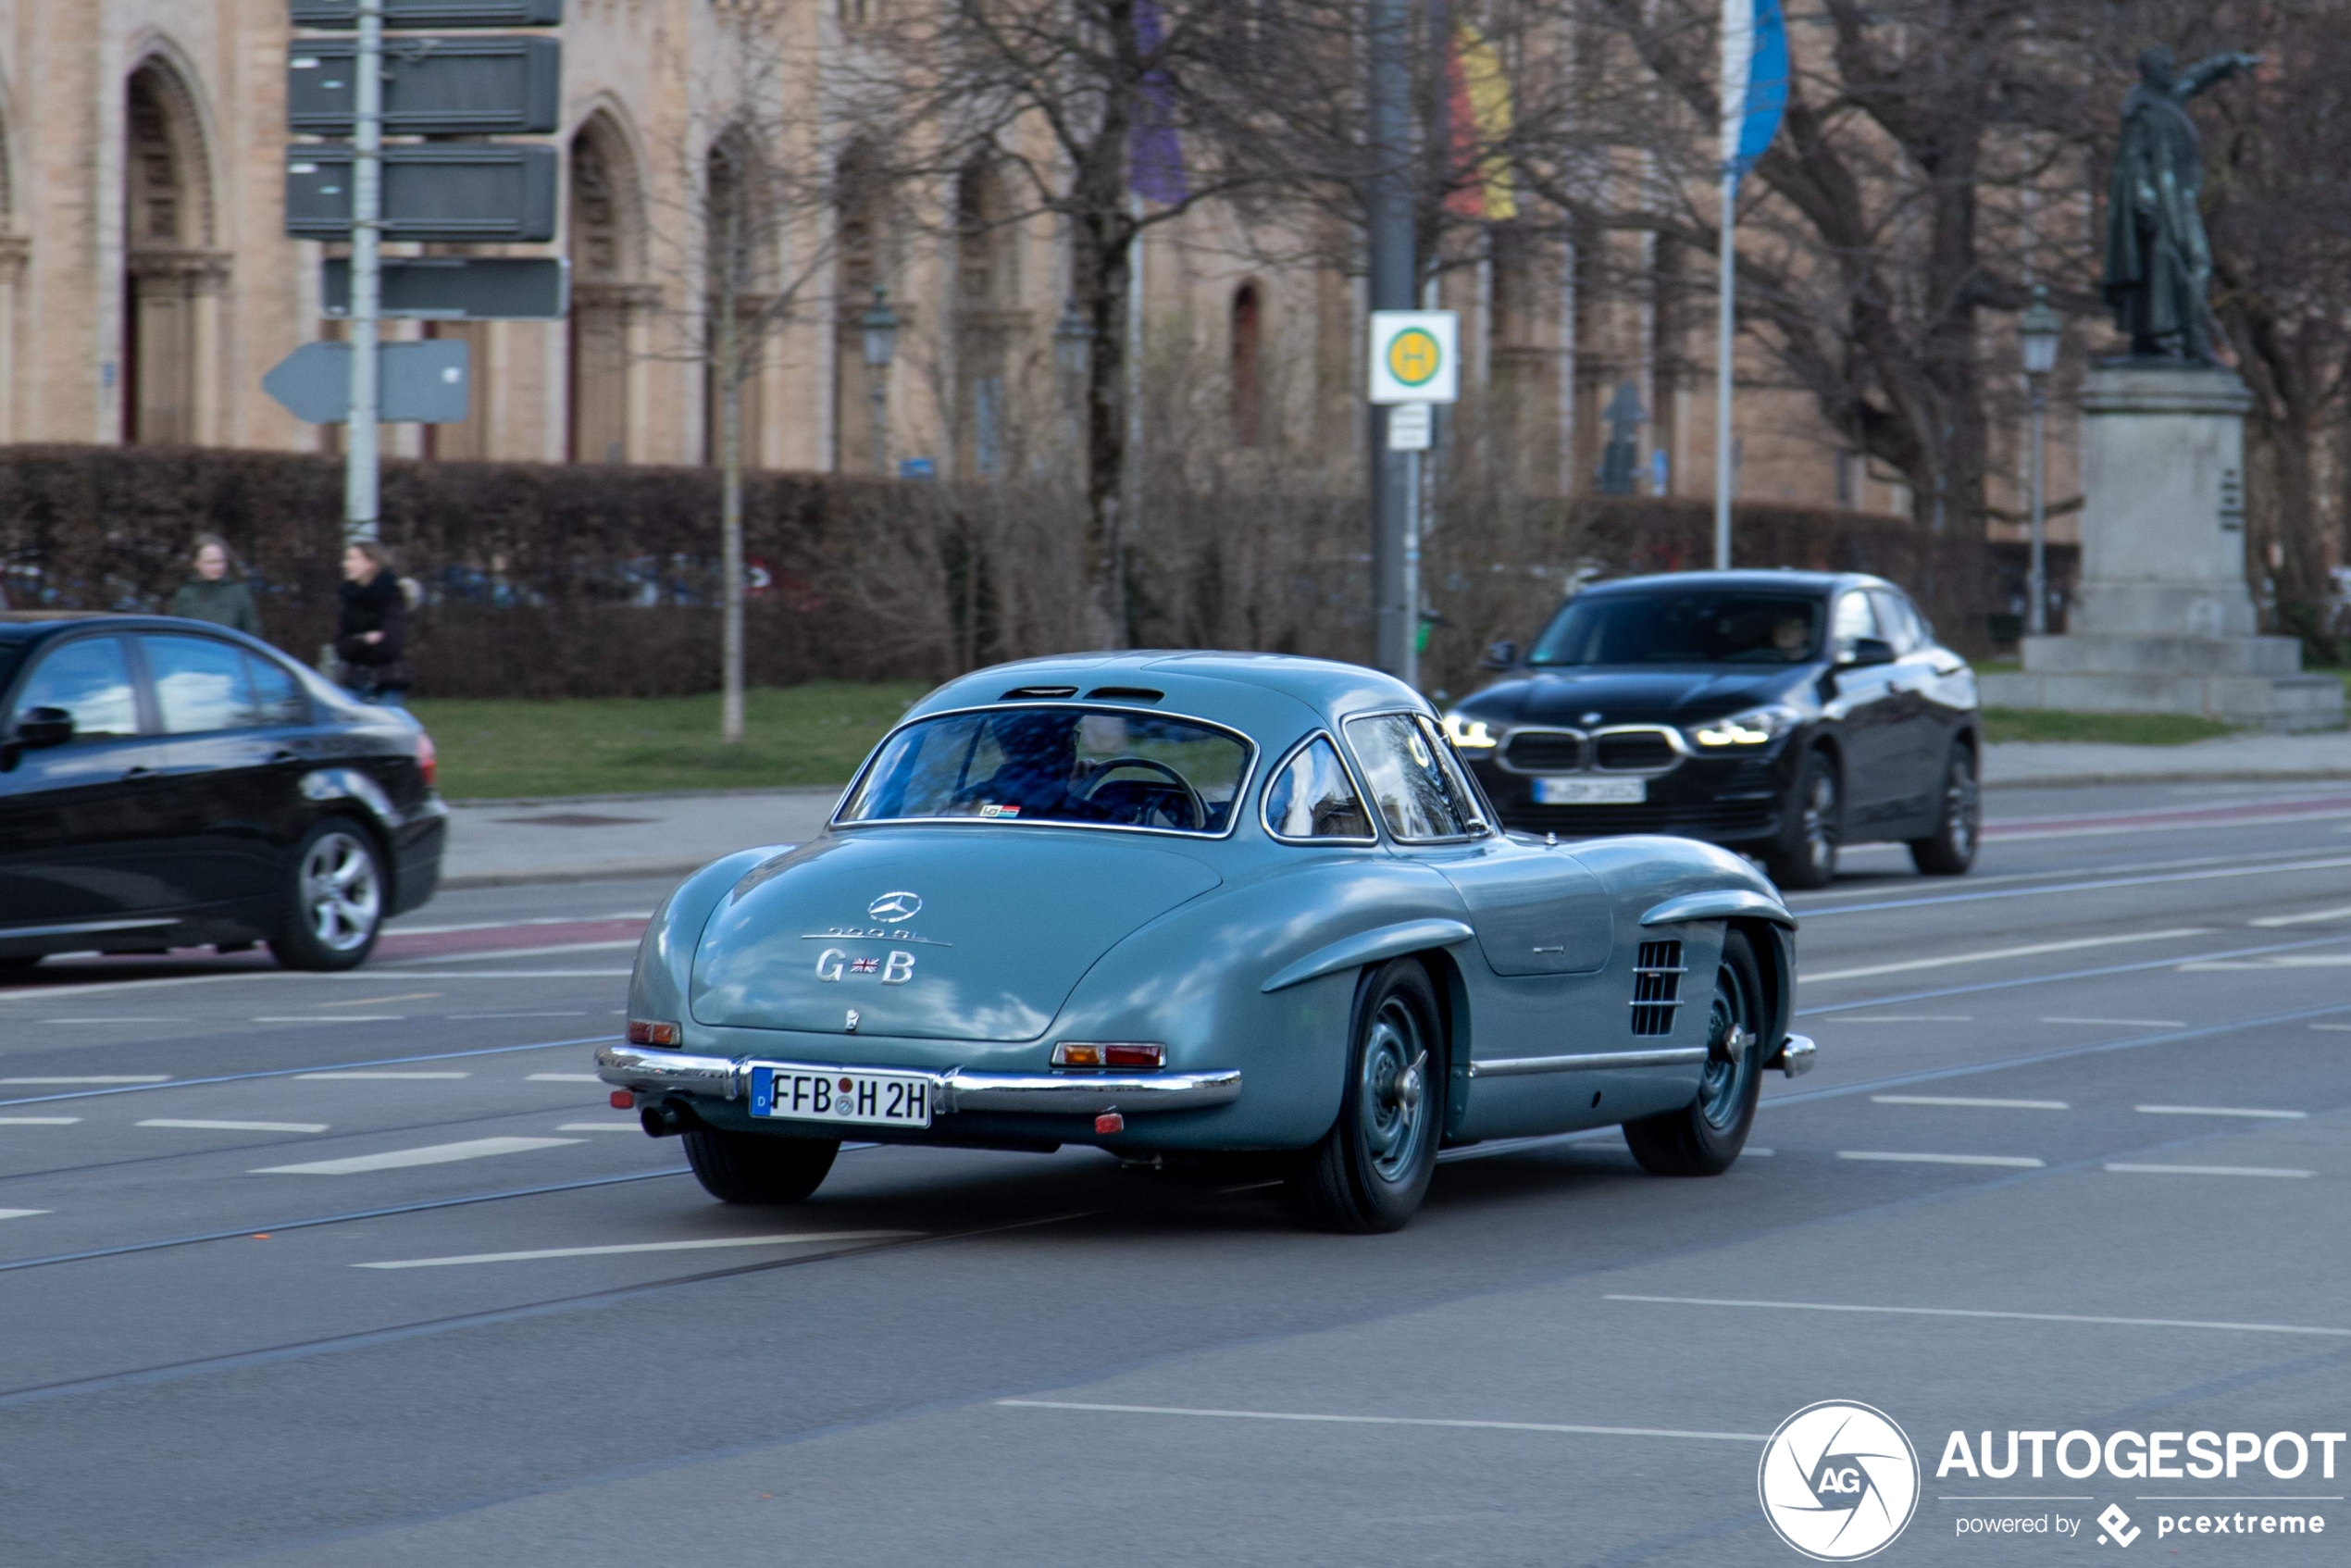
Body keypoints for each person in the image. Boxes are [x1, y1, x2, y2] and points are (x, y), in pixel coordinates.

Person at [335, 540, 413, 708]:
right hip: (353, 683)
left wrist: (355, 645)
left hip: (387, 683)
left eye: (352, 559)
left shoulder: (392, 597)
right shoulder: (348, 599)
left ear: (370, 563)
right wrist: (365, 639)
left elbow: (391, 646)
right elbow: (341, 648)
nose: (345, 564)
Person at [167, 534, 264, 637]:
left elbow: (252, 634)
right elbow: (175, 634)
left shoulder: (238, 592)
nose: (217, 567)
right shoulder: (185, 595)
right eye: (210, 563)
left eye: (220, 562)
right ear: (196, 563)